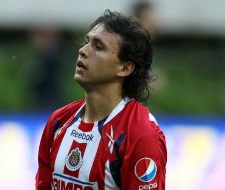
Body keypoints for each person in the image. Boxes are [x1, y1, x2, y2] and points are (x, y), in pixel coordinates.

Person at [35, 10, 167, 190]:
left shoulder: (140, 134)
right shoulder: (59, 122)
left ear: (125, 68)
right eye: (87, 42)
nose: (82, 51)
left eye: (98, 47)